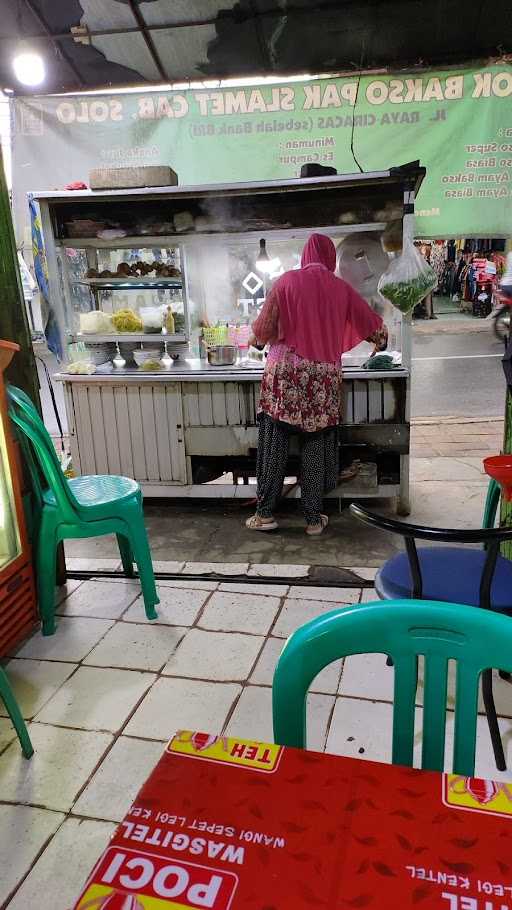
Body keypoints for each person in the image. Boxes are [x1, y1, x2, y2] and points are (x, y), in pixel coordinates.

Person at [246, 232, 387, 536]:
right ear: (330, 259)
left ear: (306, 255)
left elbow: (261, 332)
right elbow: (379, 333)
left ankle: (266, 514)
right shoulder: (342, 289)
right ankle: (312, 518)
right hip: (323, 378)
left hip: (286, 373)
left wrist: (256, 340)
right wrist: (375, 344)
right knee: (315, 444)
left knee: (275, 443)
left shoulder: (285, 282)